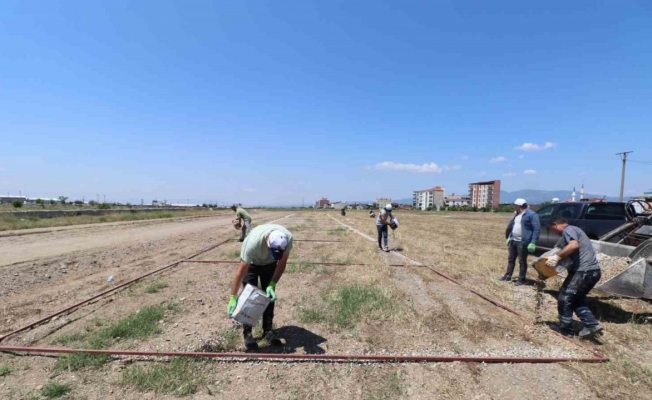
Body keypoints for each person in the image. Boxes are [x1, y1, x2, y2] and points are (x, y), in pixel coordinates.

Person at [226, 224, 293, 350]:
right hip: (252, 264)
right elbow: (240, 272)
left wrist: (272, 284)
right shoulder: (253, 243)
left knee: (268, 298)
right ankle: (248, 334)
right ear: (267, 241)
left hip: (270, 265)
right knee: (249, 298)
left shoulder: (287, 238)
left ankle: (268, 331)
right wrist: (233, 297)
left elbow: (282, 263)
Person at [545, 217, 603, 339]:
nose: (556, 232)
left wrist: (556, 257)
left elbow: (573, 245)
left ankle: (566, 330)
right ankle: (592, 325)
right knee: (577, 299)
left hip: (583, 272)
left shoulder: (568, 229)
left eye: (554, 229)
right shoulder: (576, 230)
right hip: (593, 272)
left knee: (564, 298)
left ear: (555, 224)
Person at [499, 198, 540, 285]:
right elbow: (513, 226)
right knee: (511, 259)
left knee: (522, 261)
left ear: (518, 206)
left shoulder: (532, 215)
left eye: (515, 206)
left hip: (523, 242)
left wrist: (533, 242)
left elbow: (536, 229)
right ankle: (507, 276)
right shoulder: (517, 214)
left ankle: (521, 279)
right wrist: (509, 237)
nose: (514, 207)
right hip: (513, 240)